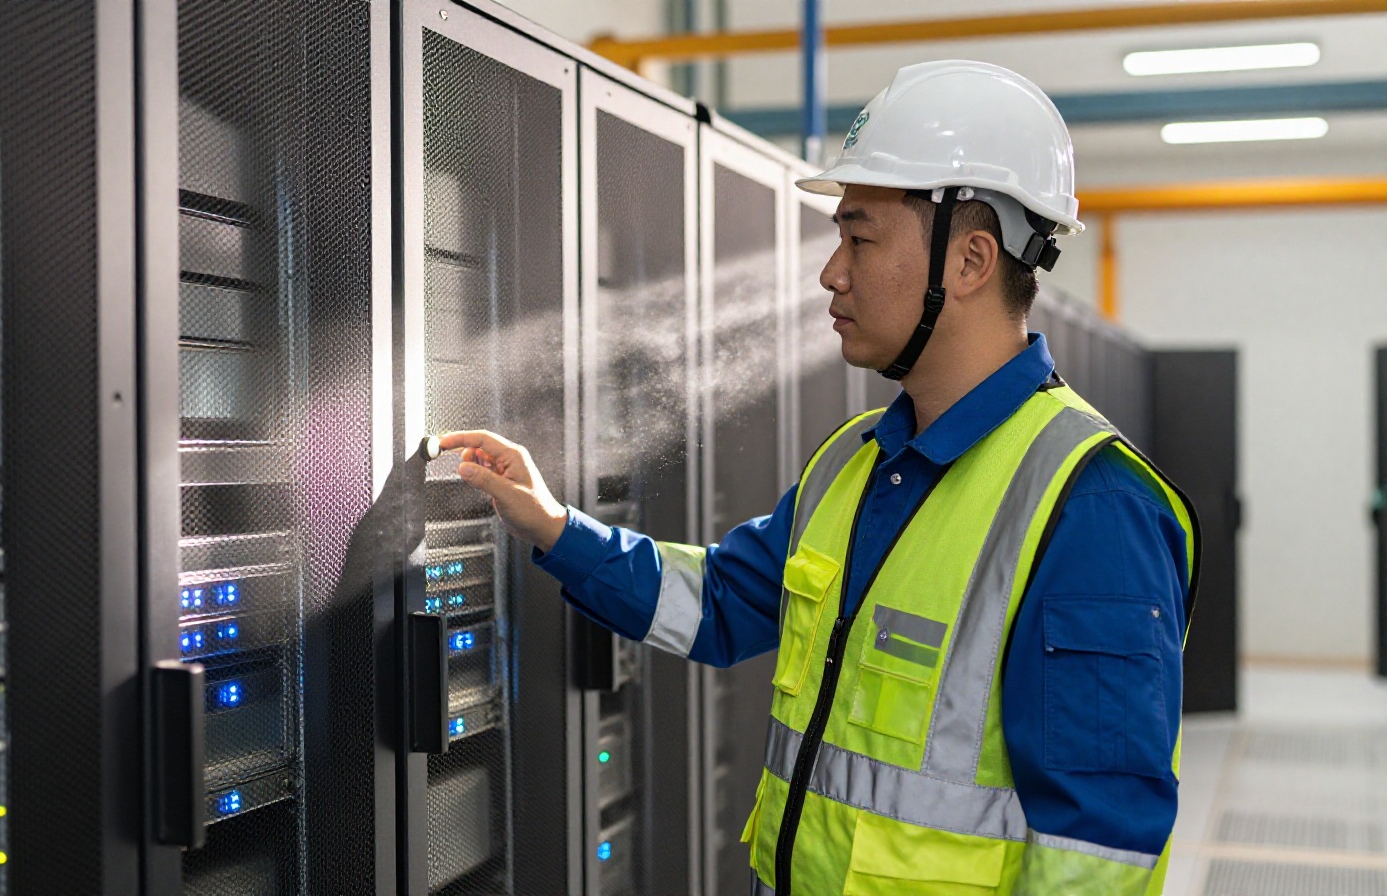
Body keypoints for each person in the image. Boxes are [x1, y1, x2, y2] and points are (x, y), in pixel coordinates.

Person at [439, 60, 1198, 896]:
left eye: (861, 238)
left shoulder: (1092, 507)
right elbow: (721, 604)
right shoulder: (856, 459)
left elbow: (1097, 859)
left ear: (972, 260)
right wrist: (553, 526)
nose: (832, 272)